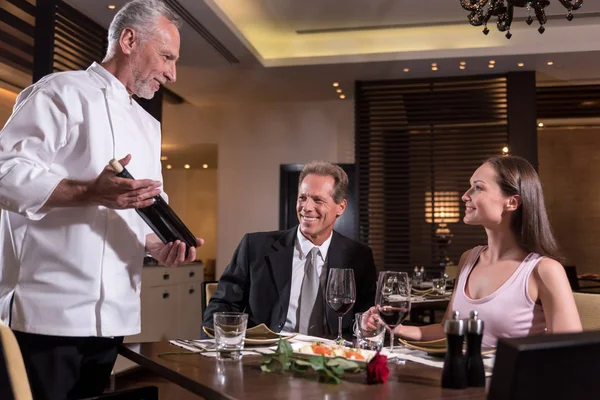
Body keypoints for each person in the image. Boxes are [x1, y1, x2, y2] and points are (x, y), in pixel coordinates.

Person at [0, 1, 202, 399]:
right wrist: (89, 191)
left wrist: (157, 247)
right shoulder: (58, 92)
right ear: (129, 40)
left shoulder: (148, 125)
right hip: (47, 316)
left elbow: (136, 212)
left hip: (115, 317)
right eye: (166, 57)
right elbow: (6, 173)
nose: (172, 73)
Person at [365, 155, 582, 347]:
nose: (465, 195)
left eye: (478, 187)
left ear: (512, 202)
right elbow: (447, 330)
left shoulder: (543, 270)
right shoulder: (469, 259)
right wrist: (395, 328)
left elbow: (568, 352)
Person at [203, 161, 377, 338]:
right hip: (266, 355)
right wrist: (220, 347)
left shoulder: (358, 257)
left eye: (318, 200)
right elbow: (222, 306)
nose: (306, 208)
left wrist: (364, 324)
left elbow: (365, 318)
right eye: (302, 198)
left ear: (340, 207)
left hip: (329, 358)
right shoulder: (255, 247)